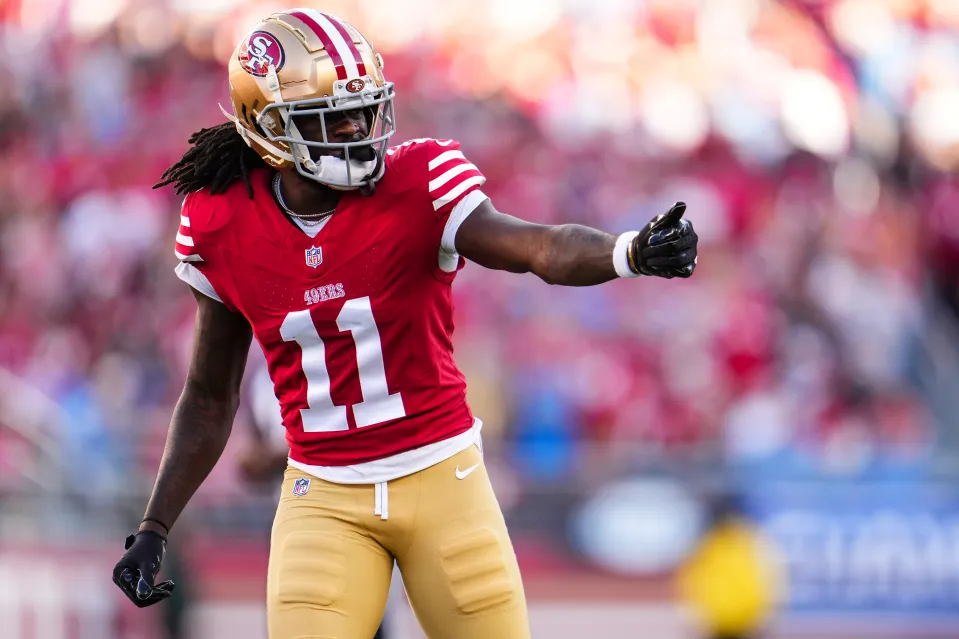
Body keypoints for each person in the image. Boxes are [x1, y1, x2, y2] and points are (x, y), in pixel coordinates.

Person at [111, 8, 698, 639]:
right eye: (335, 117)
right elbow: (207, 398)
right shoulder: (222, 221)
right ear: (273, 130)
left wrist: (626, 252)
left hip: (441, 476)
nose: (360, 131)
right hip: (326, 495)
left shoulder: (419, 180)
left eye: (364, 110)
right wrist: (155, 526)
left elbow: (538, 248)